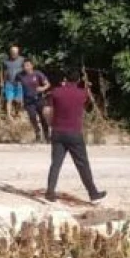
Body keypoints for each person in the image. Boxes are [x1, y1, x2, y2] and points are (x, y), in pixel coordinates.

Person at [42, 68, 107, 204]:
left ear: (65, 79)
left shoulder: (56, 92)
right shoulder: (81, 93)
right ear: (78, 80)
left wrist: (51, 124)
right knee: (82, 164)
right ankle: (93, 193)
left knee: (56, 164)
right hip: (74, 133)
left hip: (58, 132)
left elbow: (47, 110)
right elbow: (88, 104)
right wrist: (87, 88)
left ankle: (50, 191)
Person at [18, 59, 51, 142]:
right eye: (25, 66)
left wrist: (42, 88)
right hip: (28, 100)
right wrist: (19, 98)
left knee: (43, 117)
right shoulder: (20, 76)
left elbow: (48, 84)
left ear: (32, 66)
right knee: (32, 116)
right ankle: (38, 133)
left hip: (39, 99)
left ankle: (47, 135)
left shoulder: (38, 74)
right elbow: (17, 87)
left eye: (28, 65)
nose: (26, 67)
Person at [0, 45, 25, 118]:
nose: (14, 54)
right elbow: (2, 71)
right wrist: (1, 81)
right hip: (9, 83)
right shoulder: (5, 61)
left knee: (18, 101)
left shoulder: (22, 60)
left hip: (19, 83)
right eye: (12, 52)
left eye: (15, 52)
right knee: (9, 100)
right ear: (10, 52)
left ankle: (17, 112)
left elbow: (26, 69)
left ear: (18, 52)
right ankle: (9, 116)